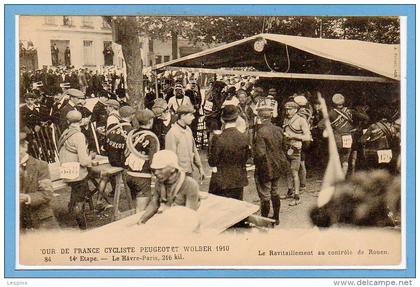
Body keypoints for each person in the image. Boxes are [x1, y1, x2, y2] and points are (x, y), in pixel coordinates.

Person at [138, 150, 201, 224]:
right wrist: (142, 220)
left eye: (160, 169)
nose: (156, 173)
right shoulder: (159, 182)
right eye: (154, 170)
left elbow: (190, 215)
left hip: (182, 223)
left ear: (173, 168)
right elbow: (155, 203)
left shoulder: (190, 184)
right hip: (166, 219)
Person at [253, 103, 289, 225]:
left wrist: (256, 165)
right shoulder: (279, 129)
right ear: (271, 116)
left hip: (265, 167)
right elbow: (284, 147)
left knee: (265, 195)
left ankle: (265, 220)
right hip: (278, 165)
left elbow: (260, 153)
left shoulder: (260, 132)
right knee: (275, 191)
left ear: (260, 117)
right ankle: (276, 217)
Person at [57, 110, 94, 229]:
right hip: (76, 173)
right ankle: (81, 222)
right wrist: (91, 158)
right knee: (81, 193)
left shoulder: (66, 132)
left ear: (68, 121)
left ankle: (73, 211)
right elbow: (83, 161)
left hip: (65, 170)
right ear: (81, 120)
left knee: (76, 190)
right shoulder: (79, 135)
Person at [208, 105, 250, 200]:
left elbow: (212, 162)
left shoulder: (218, 138)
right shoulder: (244, 137)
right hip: (239, 179)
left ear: (222, 119)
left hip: (222, 180)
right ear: (236, 119)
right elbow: (246, 158)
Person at [19, 132, 59, 231]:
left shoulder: (40, 166)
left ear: (25, 146)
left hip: (41, 219)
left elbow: (47, 194)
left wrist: (27, 197)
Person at [124, 109, 160, 211]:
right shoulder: (152, 138)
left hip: (129, 174)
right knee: (140, 211)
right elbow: (153, 161)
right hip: (142, 177)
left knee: (137, 206)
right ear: (150, 121)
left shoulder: (133, 133)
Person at [281, 101, 311, 206]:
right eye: (286, 109)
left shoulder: (301, 120)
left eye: (289, 109)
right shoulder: (286, 119)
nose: (287, 111)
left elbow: (308, 137)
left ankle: (297, 196)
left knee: (294, 173)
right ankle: (290, 191)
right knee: (287, 171)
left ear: (295, 109)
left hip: (296, 149)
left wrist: (293, 136)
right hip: (286, 148)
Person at [165, 104, 205, 180]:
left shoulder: (188, 130)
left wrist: (200, 167)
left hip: (189, 172)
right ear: (182, 116)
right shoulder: (172, 133)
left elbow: (194, 150)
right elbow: (171, 158)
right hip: (178, 175)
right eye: (190, 115)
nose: (193, 118)